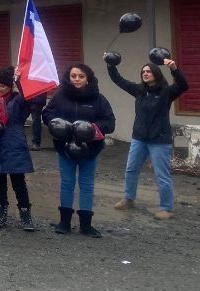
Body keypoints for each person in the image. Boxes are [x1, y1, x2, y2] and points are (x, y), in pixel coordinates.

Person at [109, 57, 188, 220]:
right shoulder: (139, 90)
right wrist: (111, 65)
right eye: (143, 71)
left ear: (156, 74)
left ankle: (167, 208)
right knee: (131, 170)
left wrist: (174, 69)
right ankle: (129, 199)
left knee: (162, 175)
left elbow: (183, 85)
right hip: (139, 138)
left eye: (149, 71)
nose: (145, 73)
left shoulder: (166, 92)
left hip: (159, 140)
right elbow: (119, 81)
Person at [42, 64, 115, 237]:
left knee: (87, 185)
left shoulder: (99, 99)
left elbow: (110, 122)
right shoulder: (60, 96)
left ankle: (86, 225)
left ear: (87, 78)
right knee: (67, 183)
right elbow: (47, 114)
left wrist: (93, 129)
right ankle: (64, 221)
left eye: (81, 76)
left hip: (90, 149)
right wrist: (57, 124)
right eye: (73, 76)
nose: (76, 79)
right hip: (65, 147)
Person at [0, 67, 37, 231]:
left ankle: (26, 216)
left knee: (19, 183)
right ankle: (0, 214)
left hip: (13, 144)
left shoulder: (18, 100)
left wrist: (19, 81)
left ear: (9, 86)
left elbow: (29, 100)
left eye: (2, 86)